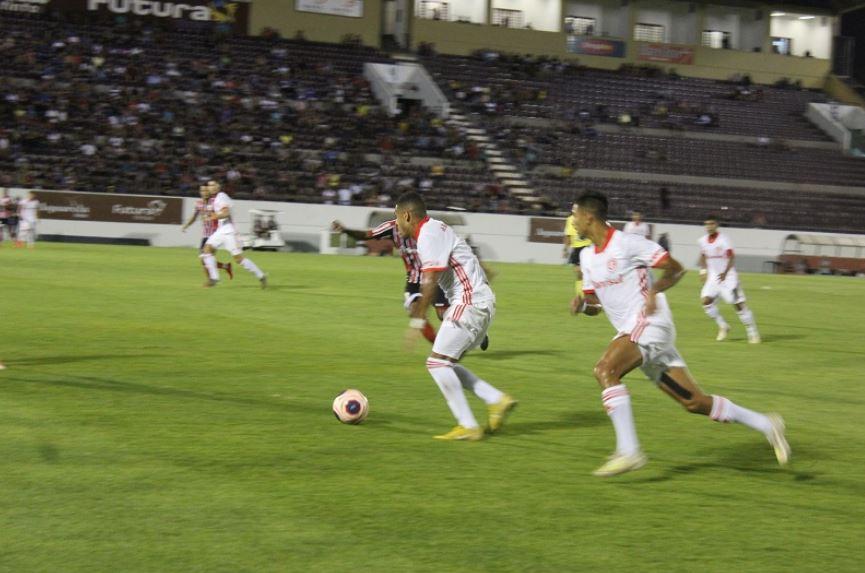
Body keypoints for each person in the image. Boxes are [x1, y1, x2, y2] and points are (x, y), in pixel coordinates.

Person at [570, 191, 788, 477]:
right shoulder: (586, 257)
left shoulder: (628, 243)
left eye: (574, 215)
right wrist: (583, 305)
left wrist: (654, 291)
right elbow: (596, 305)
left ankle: (629, 451)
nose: (571, 221)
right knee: (694, 402)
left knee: (605, 369)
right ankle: (767, 424)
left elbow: (675, 269)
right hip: (635, 333)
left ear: (589, 217)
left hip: (650, 322)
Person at [396, 191, 515, 441]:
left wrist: (417, 319)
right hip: (478, 301)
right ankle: (496, 400)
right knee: (446, 363)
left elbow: (430, 280)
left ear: (407, 215)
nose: (396, 224)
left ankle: (469, 425)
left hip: (469, 301)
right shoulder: (436, 227)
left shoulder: (427, 236)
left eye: (397, 217)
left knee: (436, 364)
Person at [698, 216, 761, 344]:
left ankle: (752, 332)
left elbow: (731, 257)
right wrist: (703, 270)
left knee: (737, 304)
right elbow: (703, 255)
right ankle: (723, 326)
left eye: (711, 223)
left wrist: (725, 273)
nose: (709, 226)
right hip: (713, 278)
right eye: (707, 224)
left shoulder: (723, 239)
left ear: (716, 225)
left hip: (728, 277)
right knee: (706, 301)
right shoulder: (703, 240)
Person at [200, 180, 267, 288]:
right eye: (209, 185)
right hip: (221, 230)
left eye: (213, 185)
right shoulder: (216, 198)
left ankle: (261, 276)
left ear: (218, 187)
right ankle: (214, 278)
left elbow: (226, 213)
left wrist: (211, 217)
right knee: (207, 250)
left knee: (239, 259)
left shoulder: (221, 196)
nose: (210, 187)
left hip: (228, 231)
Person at [182, 184, 232, 281]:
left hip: (215, 234)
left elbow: (223, 213)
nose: (204, 193)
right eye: (202, 191)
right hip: (205, 235)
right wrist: (186, 225)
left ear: (209, 191)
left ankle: (211, 280)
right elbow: (194, 216)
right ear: (200, 192)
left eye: (206, 191)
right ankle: (225, 267)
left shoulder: (215, 202)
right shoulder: (199, 203)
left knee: (205, 259)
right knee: (205, 260)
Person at [563, 202, 592, 298]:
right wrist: (565, 249)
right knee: (579, 273)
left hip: (587, 247)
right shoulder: (570, 220)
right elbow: (568, 235)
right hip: (576, 249)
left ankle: (591, 294)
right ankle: (580, 296)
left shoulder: (586, 219)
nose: (575, 212)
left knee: (588, 273)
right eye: (573, 210)